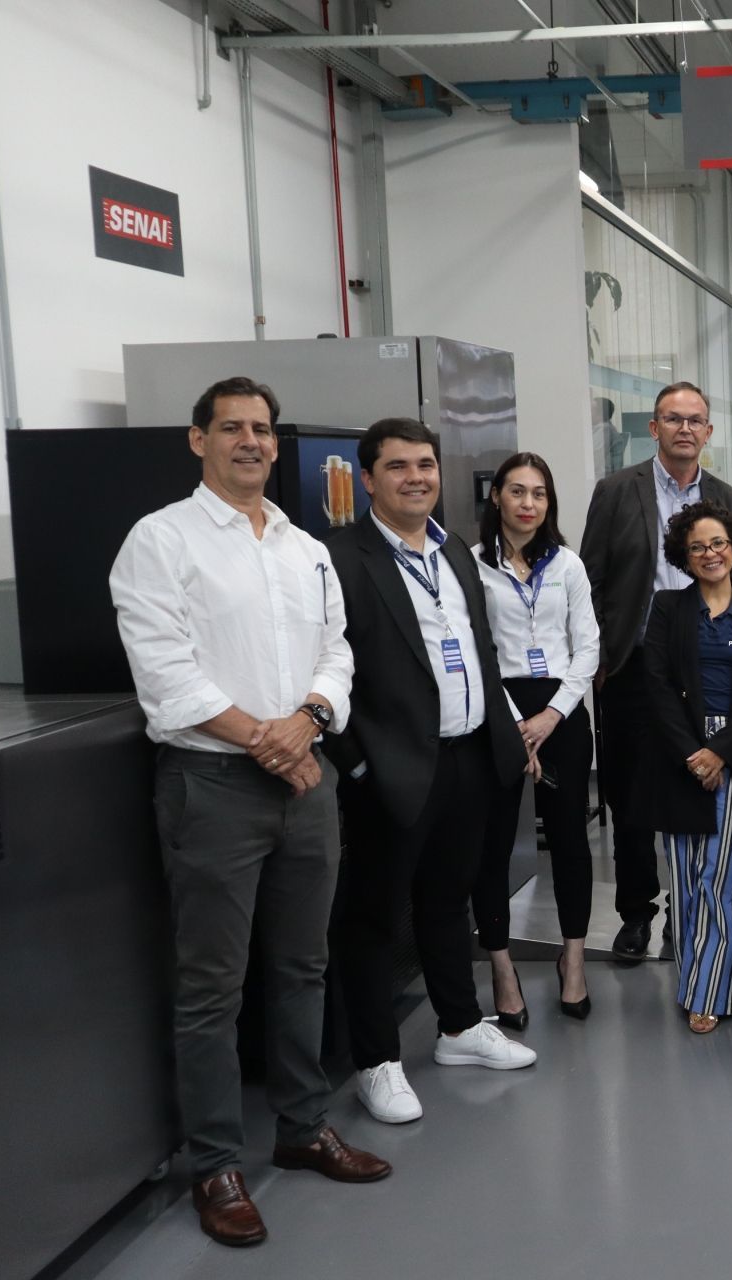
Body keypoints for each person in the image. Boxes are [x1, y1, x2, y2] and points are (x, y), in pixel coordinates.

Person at [110, 376, 388, 1247]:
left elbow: (336, 651)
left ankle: (303, 1129)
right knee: (212, 989)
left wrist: (304, 725)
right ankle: (216, 1163)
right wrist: (265, 741)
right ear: (198, 441)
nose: (250, 443)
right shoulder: (161, 541)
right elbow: (166, 673)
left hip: (305, 785)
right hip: (213, 789)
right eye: (231, 428)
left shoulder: (302, 546)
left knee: (304, 968)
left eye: (261, 430)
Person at [323, 418, 535, 1128]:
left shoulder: (456, 557)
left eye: (425, 464)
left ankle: (458, 1028)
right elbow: (324, 668)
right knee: (373, 917)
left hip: (468, 755)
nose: (416, 477)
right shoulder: (341, 560)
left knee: (450, 900)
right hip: (393, 768)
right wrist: (355, 768)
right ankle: (376, 1062)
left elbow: (477, 650)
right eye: (399, 466)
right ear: (369, 478)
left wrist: (504, 735)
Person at [579, 380, 732, 962]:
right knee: (628, 796)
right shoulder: (616, 490)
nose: (683, 428)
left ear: (708, 431)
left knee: (696, 790)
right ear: (653, 429)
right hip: (632, 665)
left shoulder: (728, 497)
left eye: (694, 419)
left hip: (705, 666)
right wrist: (598, 658)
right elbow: (590, 581)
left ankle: (686, 909)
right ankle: (636, 913)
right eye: (671, 419)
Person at [471, 452, 600, 1028]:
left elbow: (587, 647)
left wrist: (550, 716)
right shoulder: (470, 565)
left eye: (539, 494)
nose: (528, 504)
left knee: (571, 839)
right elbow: (476, 652)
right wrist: (511, 725)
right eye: (517, 492)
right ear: (496, 496)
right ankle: (501, 966)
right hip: (495, 710)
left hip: (562, 708)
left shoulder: (567, 565)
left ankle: (572, 958)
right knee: (493, 844)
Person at [642, 501, 732, 1034]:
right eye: (697, 546)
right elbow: (656, 684)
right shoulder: (668, 608)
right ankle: (696, 982)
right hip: (682, 758)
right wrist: (694, 753)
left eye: (718, 543)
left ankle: (713, 992)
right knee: (690, 882)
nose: (709, 554)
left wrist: (722, 753)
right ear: (684, 554)